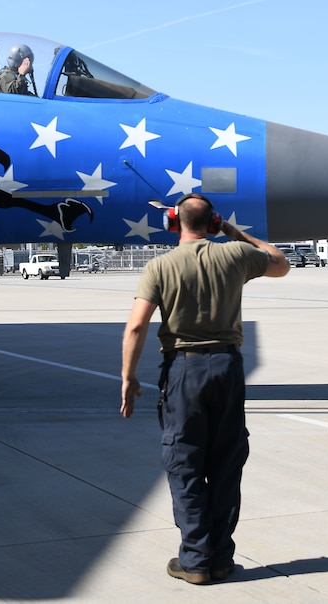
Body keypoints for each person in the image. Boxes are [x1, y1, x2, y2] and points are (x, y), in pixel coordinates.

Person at [120, 193, 289, 585]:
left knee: (186, 464)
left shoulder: (159, 266)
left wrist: (128, 377)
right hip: (229, 367)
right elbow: (280, 264)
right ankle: (221, 558)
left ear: (173, 222)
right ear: (212, 223)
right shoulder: (235, 256)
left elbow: (135, 326)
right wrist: (232, 231)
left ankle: (196, 560)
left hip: (184, 370)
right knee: (226, 464)